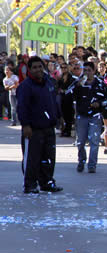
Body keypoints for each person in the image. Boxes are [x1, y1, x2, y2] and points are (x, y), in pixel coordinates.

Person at [16, 56, 63, 194]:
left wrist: (59, 118)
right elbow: (22, 107)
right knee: (32, 158)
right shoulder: (25, 86)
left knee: (49, 157)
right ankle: (30, 184)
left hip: (49, 127)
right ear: (29, 69)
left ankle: (47, 182)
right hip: (33, 129)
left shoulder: (49, 83)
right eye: (34, 67)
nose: (38, 70)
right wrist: (25, 125)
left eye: (40, 67)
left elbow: (54, 102)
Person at [72, 61, 107, 173]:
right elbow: (71, 96)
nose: (87, 73)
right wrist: (77, 86)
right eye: (85, 70)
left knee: (94, 141)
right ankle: (81, 161)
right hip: (82, 115)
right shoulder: (79, 83)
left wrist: (99, 103)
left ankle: (92, 165)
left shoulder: (100, 83)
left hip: (95, 116)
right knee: (81, 141)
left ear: (94, 71)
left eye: (90, 70)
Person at [57, 62, 75, 137]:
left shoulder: (71, 77)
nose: (64, 69)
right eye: (62, 68)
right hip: (62, 98)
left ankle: (68, 130)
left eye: (65, 67)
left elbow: (72, 87)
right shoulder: (60, 77)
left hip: (69, 98)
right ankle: (63, 130)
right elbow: (58, 86)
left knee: (69, 115)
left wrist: (65, 91)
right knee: (62, 115)